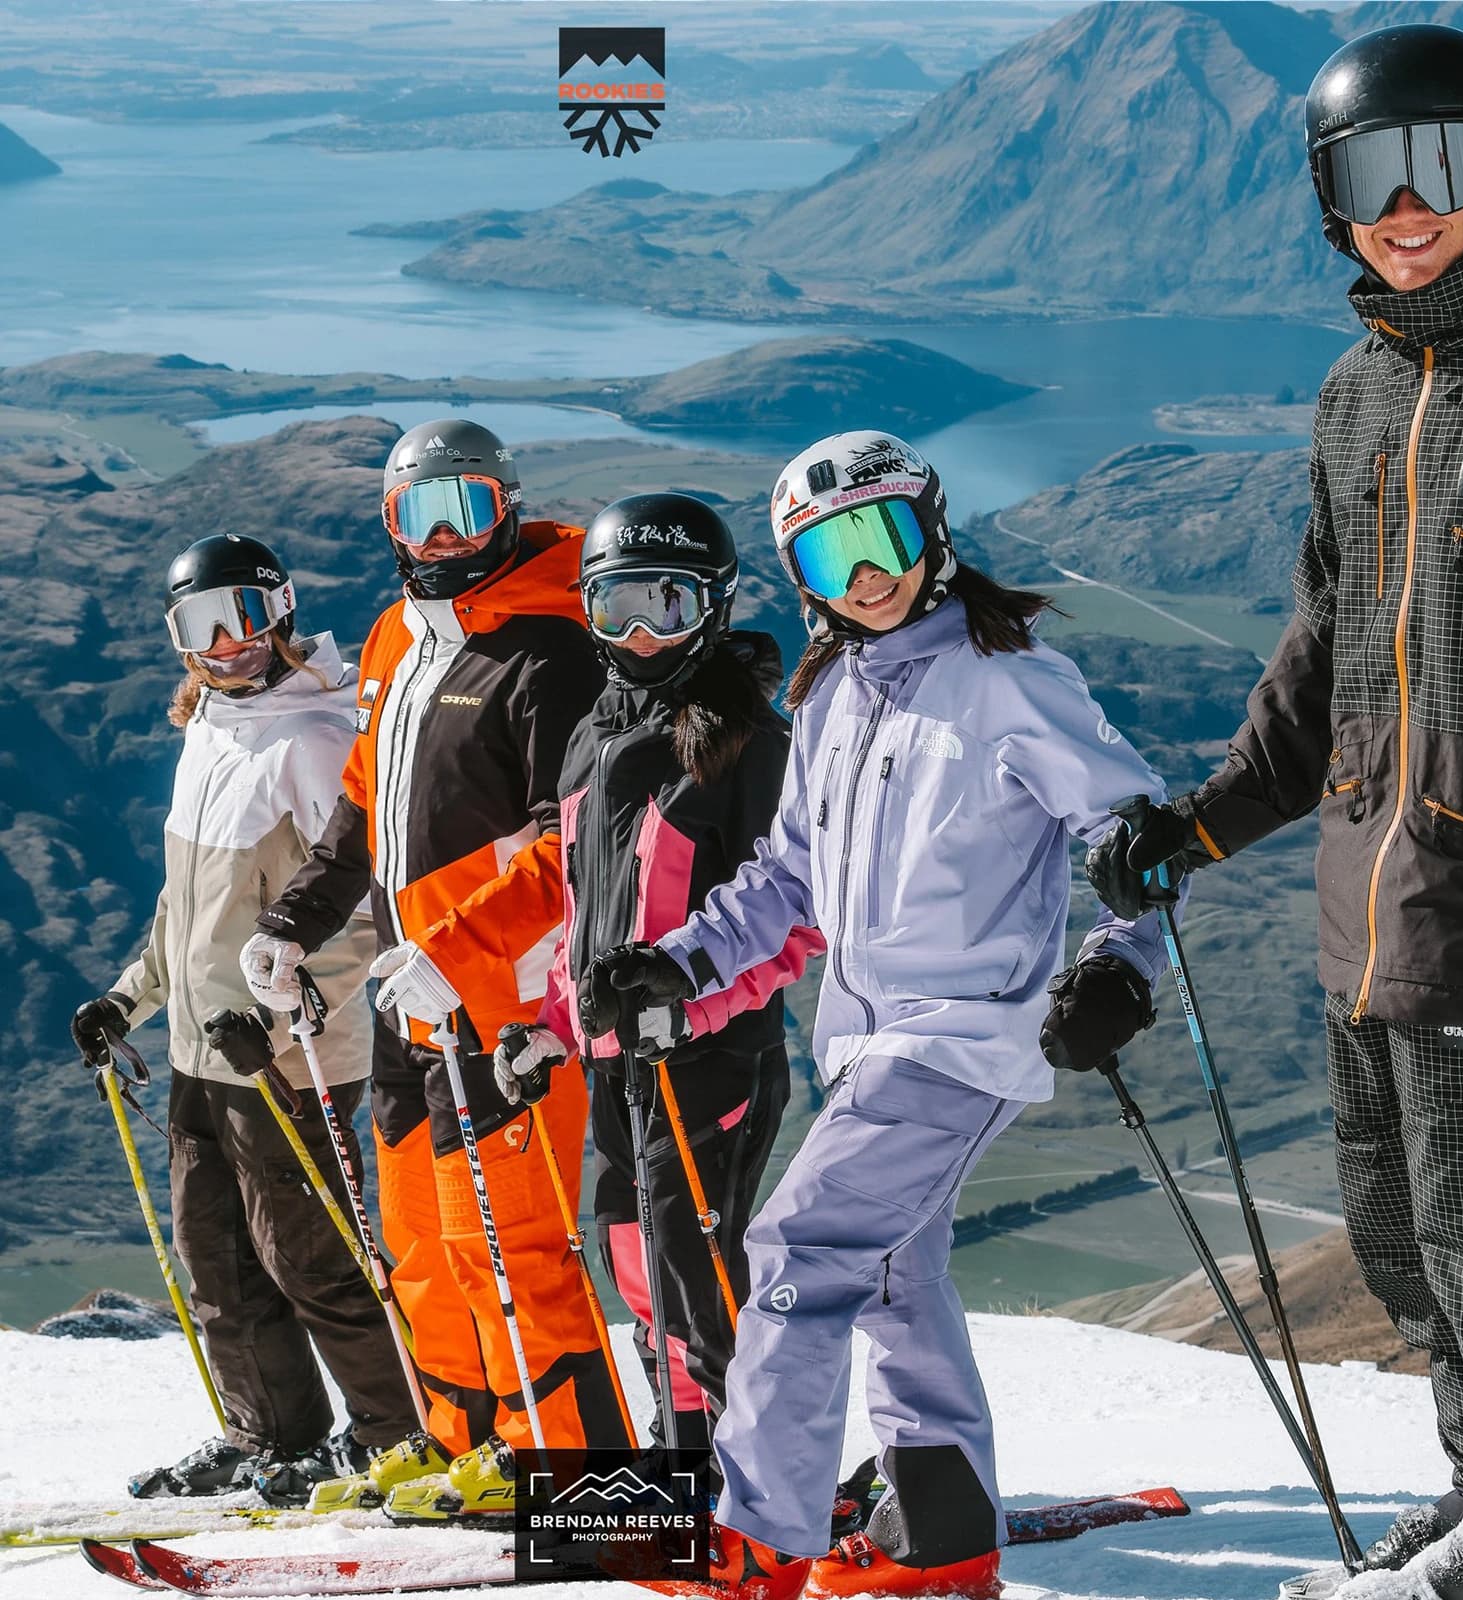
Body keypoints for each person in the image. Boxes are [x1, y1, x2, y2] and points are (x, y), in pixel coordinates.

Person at [1083, 26, 1463, 1600]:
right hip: (1371, 917)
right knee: (1409, 1244)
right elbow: (1321, 654)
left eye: (1438, 161)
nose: (1407, 203)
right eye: (1368, 174)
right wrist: (1206, 825)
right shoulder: (1360, 394)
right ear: (1330, 198)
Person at [580, 431, 1171, 1600]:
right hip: (866, 1040)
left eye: (884, 539)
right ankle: (939, 1540)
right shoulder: (835, 695)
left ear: (932, 533)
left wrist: (1119, 962)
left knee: (798, 1247)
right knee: (897, 1273)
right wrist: (678, 964)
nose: (866, 577)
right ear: (797, 575)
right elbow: (787, 882)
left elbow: (1134, 833)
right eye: (828, 553)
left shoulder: (1007, 679)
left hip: (963, 1033)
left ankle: (763, 1536)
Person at [238, 419, 627, 1518]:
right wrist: (295, 920)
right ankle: (474, 1447)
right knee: (424, 1251)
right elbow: (363, 804)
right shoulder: (396, 640)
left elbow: (575, 847)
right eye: (421, 512)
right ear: (390, 522)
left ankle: (585, 1483)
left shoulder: (550, 651)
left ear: (509, 505)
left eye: (471, 506)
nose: (448, 534)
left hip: (505, 1010)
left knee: (518, 1256)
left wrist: (460, 953)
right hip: (411, 1005)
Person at [68, 533, 411, 1500]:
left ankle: (396, 1439)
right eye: (202, 626)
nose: (229, 644)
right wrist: (127, 999)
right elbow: (188, 908)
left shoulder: (317, 739)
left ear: (285, 612)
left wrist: (290, 1008)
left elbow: (360, 913)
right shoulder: (208, 731)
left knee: (312, 1259)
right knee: (214, 1261)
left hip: (288, 1056)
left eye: (246, 617)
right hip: (199, 1051)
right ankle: (278, 1439)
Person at [493, 491, 822, 1453]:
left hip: (711, 1057)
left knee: (700, 1270)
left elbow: (801, 919)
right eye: (615, 607)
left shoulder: (747, 742)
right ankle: (690, 1455)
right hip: (611, 1058)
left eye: (667, 606)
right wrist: (556, 1024)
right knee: (632, 1259)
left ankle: (769, 1478)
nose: (640, 634)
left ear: (713, 606)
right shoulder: (594, 738)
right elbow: (582, 917)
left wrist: (692, 1008)